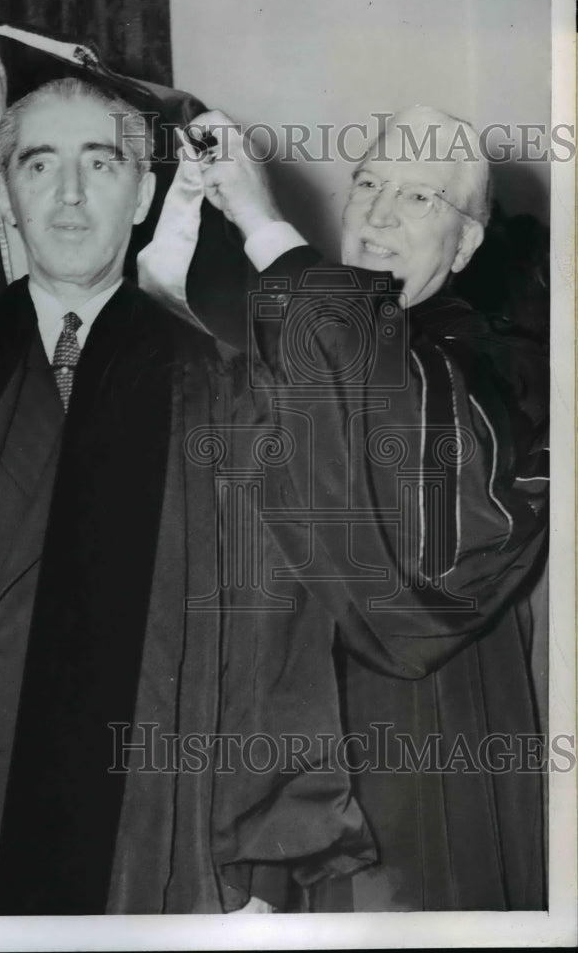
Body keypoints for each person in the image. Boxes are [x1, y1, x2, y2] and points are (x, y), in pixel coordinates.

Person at [140, 104, 548, 910]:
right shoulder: (303, 336)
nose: (379, 213)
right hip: (259, 736)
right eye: (368, 182)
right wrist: (180, 224)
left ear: (466, 243)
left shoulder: (503, 362)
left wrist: (261, 221)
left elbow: (418, 529)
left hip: (406, 747)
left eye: (421, 198)